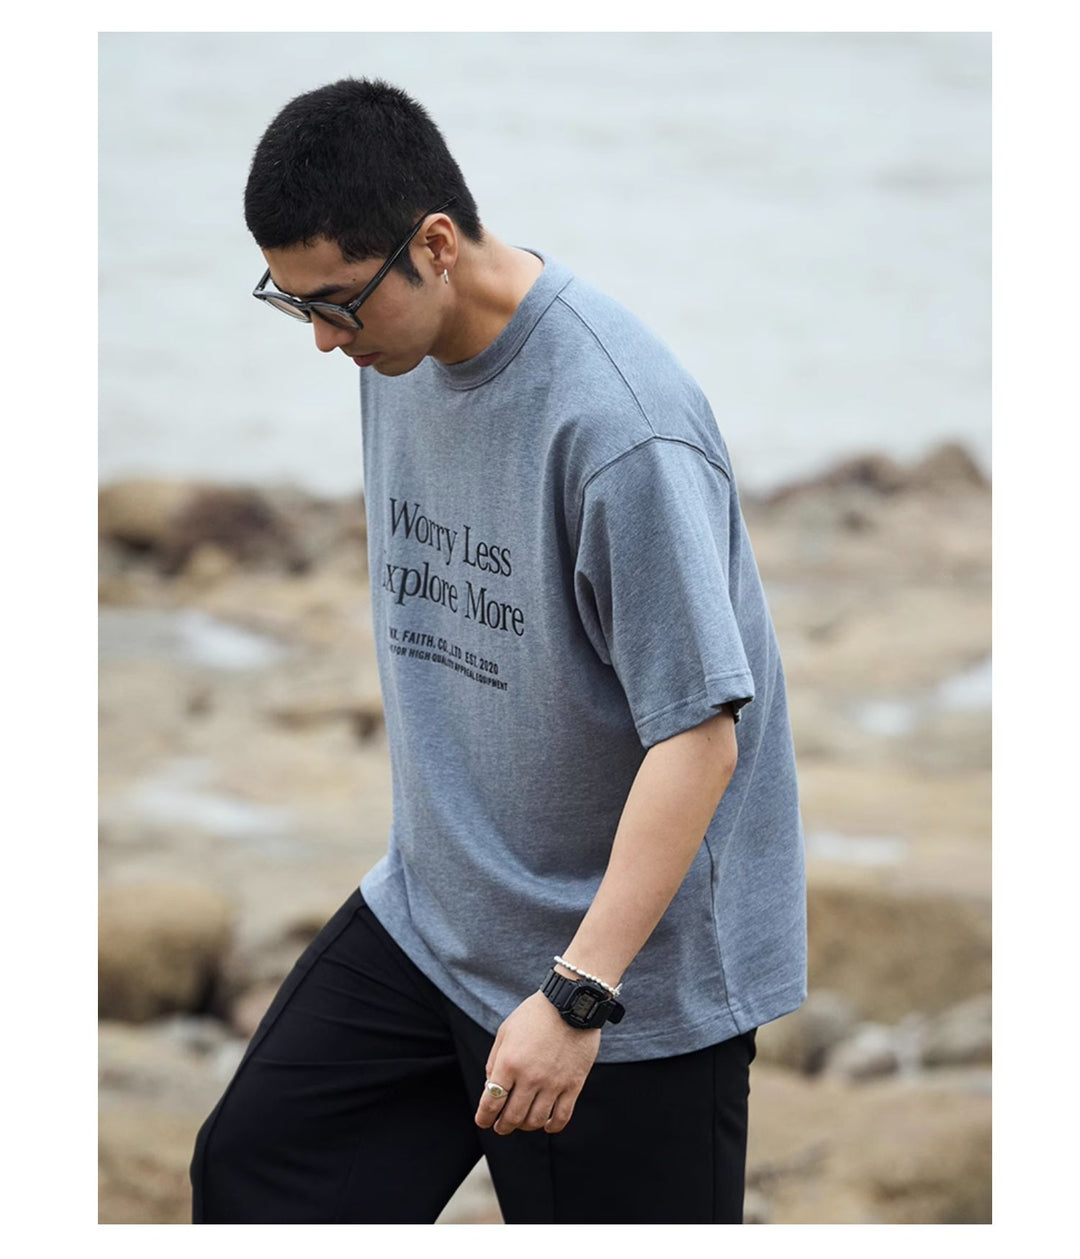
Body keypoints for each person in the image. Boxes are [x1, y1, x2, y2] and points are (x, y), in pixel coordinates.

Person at [189, 76, 807, 1225]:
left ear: (435, 246)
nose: (322, 339)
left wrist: (578, 996)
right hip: (432, 921)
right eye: (292, 303)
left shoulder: (620, 425)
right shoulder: (396, 351)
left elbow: (701, 738)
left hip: (623, 980)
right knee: (257, 1171)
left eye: (336, 303)